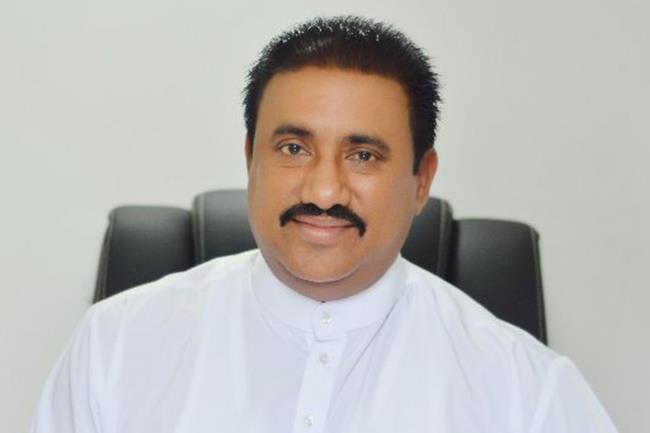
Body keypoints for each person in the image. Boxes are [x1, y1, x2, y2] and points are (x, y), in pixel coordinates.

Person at [30, 15, 618, 433]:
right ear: (250, 158)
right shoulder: (115, 347)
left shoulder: (526, 392)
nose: (323, 191)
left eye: (363, 155)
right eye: (293, 148)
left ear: (421, 179)